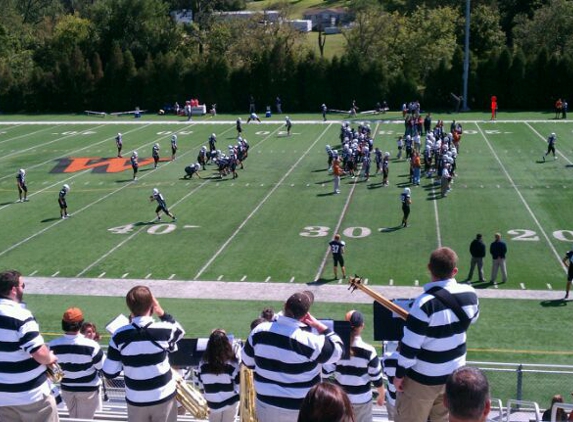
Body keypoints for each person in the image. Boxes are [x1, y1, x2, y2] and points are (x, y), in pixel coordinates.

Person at [393, 247, 480, 422]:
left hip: (423, 381)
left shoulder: (424, 303)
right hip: (453, 378)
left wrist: (399, 374)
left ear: (429, 268)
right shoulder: (470, 294)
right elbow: (473, 318)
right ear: (454, 271)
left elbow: (409, 348)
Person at [241, 292, 344, 422]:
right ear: (306, 315)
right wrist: (319, 326)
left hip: (266, 404)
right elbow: (338, 350)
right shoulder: (310, 342)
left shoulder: (259, 331)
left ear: (284, 306)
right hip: (301, 408)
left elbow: (248, 362)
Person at [102, 285, 185, 422]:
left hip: (136, 400)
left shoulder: (118, 335)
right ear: (152, 306)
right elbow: (180, 331)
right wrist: (161, 312)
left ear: (130, 308)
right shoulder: (164, 330)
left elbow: (109, 372)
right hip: (163, 397)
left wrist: (129, 361)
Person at [0, 270, 59, 422]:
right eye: (22, 285)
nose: (23, 289)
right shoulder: (20, 315)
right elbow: (40, 354)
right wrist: (50, 357)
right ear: (14, 289)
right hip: (31, 398)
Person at [323, 310, 385, 422]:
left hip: (342, 400)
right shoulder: (369, 351)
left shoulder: (338, 348)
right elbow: (376, 378)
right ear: (362, 326)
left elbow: (325, 372)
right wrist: (381, 395)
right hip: (362, 401)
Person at [49, 307, 105, 419]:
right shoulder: (92, 345)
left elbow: (54, 372)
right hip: (88, 391)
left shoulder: (52, 345)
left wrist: (65, 376)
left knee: (73, 418)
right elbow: (102, 367)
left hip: (66, 389)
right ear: (80, 324)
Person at [198, 329, 240, 422]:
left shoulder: (202, 363)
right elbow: (239, 385)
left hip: (212, 402)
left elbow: (201, 384)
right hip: (231, 401)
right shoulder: (232, 364)